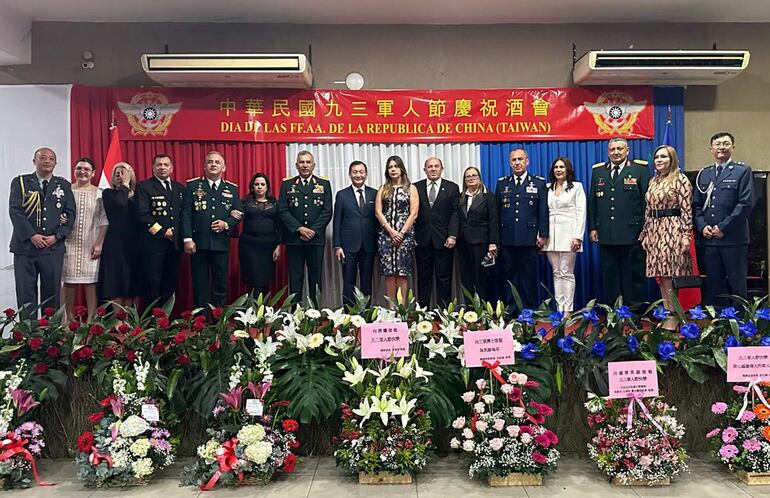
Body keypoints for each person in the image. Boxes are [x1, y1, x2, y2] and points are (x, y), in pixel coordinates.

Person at [9, 147, 76, 312]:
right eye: (43, 158)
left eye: (51, 158)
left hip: (52, 248)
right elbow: (15, 211)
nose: (47, 161)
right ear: (34, 161)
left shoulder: (64, 185)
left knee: (52, 294)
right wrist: (32, 235)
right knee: (26, 294)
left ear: (55, 163)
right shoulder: (21, 183)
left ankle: (50, 334)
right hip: (25, 248)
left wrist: (57, 236)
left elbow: (70, 214)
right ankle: (27, 335)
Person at [693, 132, 754, 306]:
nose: (721, 147)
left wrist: (723, 227)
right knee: (712, 286)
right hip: (710, 240)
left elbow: (745, 203)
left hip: (733, 239)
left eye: (726, 144)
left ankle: (741, 328)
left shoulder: (742, 171)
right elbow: (697, 205)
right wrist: (702, 226)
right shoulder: (704, 174)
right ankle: (715, 326)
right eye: (717, 144)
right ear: (711, 148)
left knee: (737, 285)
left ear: (732, 147)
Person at [588, 137, 650, 307]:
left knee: (633, 275)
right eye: (612, 149)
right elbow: (592, 202)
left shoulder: (640, 170)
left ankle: (634, 311)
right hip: (607, 233)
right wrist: (593, 227)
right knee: (611, 275)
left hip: (632, 233)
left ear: (627, 151)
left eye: (620, 148)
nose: (616, 152)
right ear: (608, 151)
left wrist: (645, 228)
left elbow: (647, 203)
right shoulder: (598, 171)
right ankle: (614, 312)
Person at [639, 145, 693, 328]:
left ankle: (674, 315)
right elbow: (648, 209)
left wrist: (686, 235)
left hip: (673, 228)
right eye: (657, 157)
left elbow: (687, 210)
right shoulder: (653, 181)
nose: (659, 160)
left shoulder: (680, 179)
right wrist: (645, 232)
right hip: (655, 230)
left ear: (672, 159)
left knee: (671, 273)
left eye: (664, 157)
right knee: (661, 275)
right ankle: (667, 311)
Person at [182, 150, 242, 309]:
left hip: (221, 243)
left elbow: (239, 213)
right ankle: (201, 321)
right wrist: (187, 239)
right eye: (210, 162)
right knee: (200, 284)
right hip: (198, 243)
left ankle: (218, 320)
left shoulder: (232, 188)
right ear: (204, 166)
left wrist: (226, 224)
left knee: (220, 283)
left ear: (224, 167)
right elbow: (186, 214)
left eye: (217, 162)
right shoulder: (193, 186)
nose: (213, 164)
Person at [495, 148, 548, 311]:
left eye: (520, 159)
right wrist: (496, 239)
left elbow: (543, 211)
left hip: (529, 237)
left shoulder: (538, 183)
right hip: (507, 237)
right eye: (514, 160)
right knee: (509, 275)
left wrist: (544, 234)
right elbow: (496, 213)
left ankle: (528, 309)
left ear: (527, 161)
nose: (517, 163)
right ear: (510, 163)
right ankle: (511, 309)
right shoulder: (502, 183)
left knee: (528, 276)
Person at [277, 150, 332, 306]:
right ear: (296, 165)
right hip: (295, 239)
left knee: (315, 279)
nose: (305, 165)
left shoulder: (323, 184)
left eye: (308, 162)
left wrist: (312, 231)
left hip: (316, 240)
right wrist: (299, 229)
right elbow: (283, 210)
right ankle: (295, 315)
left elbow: (327, 211)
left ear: (313, 165)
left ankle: (314, 314)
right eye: (302, 162)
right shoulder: (287, 184)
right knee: (295, 278)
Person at [136, 153, 184, 309]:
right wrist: (163, 232)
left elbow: (184, 214)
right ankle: (152, 321)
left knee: (170, 282)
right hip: (154, 244)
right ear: (153, 167)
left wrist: (177, 232)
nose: (162, 168)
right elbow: (143, 215)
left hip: (174, 244)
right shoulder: (144, 187)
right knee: (153, 282)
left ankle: (166, 320)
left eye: (165, 165)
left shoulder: (179, 188)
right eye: (159, 165)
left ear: (171, 168)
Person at [62, 158, 108, 320]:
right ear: (74, 171)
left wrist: (99, 243)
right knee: (68, 281)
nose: (82, 172)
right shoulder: (65, 191)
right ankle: (68, 319)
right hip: (68, 242)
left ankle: (91, 319)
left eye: (86, 169)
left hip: (91, 242)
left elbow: (104, 219)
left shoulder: (100, 193)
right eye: (79, 168)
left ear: (93, 173)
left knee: (91, 282)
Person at [413, 157, 460, 308]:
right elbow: (410, 213)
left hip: (445, 240)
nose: (433, 169)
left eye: (436, 166)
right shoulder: (415, 187)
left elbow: (455, 213)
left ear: (442, 168)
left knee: (444, 278)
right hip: (421, 239)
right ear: (424, 170)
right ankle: (423, 311)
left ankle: (444, 312)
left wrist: (452, 235)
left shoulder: (452, 188)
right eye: (429, 167)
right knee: (423, 277)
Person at [543, 157, 586, 315]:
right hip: (550, 237)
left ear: (568, 169)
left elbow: (581, 213)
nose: (558, 170)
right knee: (556, 272)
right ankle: (559, 308)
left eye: (562, 167)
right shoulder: (547, 187)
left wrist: (578, 236)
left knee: (567, 273)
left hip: (569, 235)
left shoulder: (576, 187)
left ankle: (568, 309)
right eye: (556, 167)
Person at [333, 160, 378, 307]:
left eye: (361, 172)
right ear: (349, 174)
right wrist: (337, 245)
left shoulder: (375, 193)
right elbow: (337, 221)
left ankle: (366, 314)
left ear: (366, 174)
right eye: (355, 172)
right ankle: (349, 316)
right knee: (348, 281)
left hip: (369, 245)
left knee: (367, 281)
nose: (358, 175)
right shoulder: (341, 195)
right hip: (348, 246)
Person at [375, 155, 419, 303]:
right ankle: (391, 310)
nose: (393, 169)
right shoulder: (383, 188)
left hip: (405, 237)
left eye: (395, 166)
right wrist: (391, 231)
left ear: (401, 169)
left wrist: (401, 233)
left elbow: (414, 213)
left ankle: (402, 309)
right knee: (389, 274)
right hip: (386, 236)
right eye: (390, 167)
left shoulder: (411, 188)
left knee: (402, 273)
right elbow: (378, 212)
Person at [99, 162, 140, 307]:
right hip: (115, 242)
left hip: (135, 242)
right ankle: (117, 318)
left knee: (131, 280)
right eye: (117, 174)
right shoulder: (108, 193)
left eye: (124, 174)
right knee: (115, 280)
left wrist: (128, 188)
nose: (120, 177)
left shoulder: (139, 194)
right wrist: (125, 184)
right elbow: (121, 203)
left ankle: (129, 318)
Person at [457, 166, 499, 302]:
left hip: (481, 243)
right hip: (463, 243)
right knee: (466, 279)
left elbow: (494, 221)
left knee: (481, 278)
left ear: (479, 179)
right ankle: (470, 311)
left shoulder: (488, 197)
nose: (471, 178)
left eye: (474, 176)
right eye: (468, 176)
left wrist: (493, 243)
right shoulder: (461, 197)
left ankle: (484, 310)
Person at [237, 172, 282, 298]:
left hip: (269, 247)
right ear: (252, 187)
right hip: (249, 246)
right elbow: (234, 217)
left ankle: (263, 313)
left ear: (267, 187)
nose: (259, 187)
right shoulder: (244, 203)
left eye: (263, 184)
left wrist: (278, 246)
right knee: (253, 280)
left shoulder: (275, 204)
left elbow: (280, 226)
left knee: (265, 280)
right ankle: (252, 314)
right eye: (256, 184)